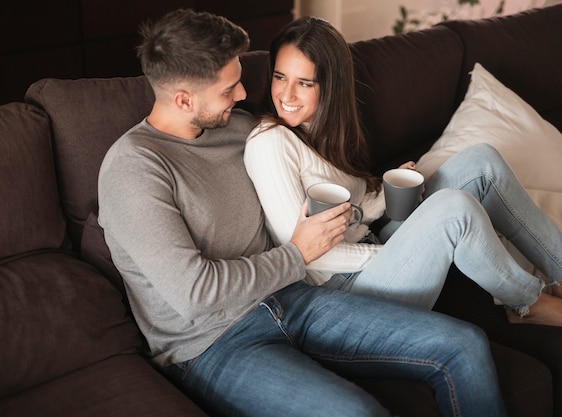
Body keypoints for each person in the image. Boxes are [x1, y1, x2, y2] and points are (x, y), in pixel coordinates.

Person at [98, 9, 508, 417]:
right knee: (356, 413)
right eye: (228, 89)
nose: (242, 95)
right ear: (184, 99)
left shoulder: (236, 129)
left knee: (465, 345)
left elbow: (316, 158)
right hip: (214, 343)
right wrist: (296, 254)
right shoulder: (134, 169)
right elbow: (196, 295)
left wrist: (379, 195)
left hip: (296, 299)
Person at [243, 16, 562, 327]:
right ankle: (527, 302)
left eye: (304, 82)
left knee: (482, 162)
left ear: (330, 86)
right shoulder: (270, 142)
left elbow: (351, 215)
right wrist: (391, 251)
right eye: (280, 77)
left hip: (371, 247)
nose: (286, 95)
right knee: (455, 211)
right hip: (343, 290)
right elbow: (305, 254)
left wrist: (384, 195)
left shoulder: (323, 131)